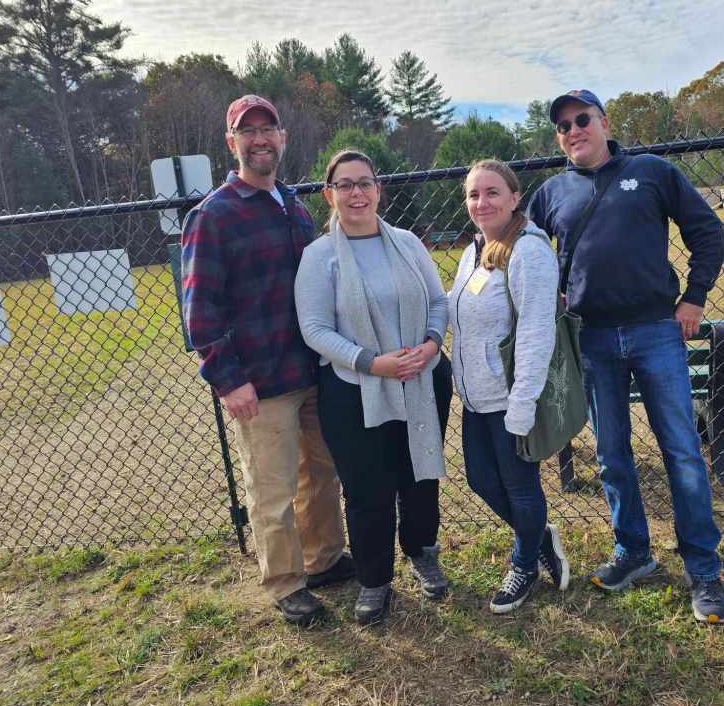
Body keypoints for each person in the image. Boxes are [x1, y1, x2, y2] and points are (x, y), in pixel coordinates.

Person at [527, 89, 724, 624]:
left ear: (604, 122)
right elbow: (526, 254)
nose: (573, 130)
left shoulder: (652, 172)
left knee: (682, 451)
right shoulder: (550, 194)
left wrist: (694, 297)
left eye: (582, 119)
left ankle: (703, 570)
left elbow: (706, 231)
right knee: (612, 454)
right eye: (563, 126)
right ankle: (633, 552)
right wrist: (549, 296)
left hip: (655, 330)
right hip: (592, 339)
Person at [181, 95, 352, 627]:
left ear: (282, 137)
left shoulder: (293, 205)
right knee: (272, 487)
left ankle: (323, 559)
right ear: (231, 143)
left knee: (321, 475)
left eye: (267, 129)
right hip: (260, 380)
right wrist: (228, 379)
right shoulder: (213, 215)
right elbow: (200, 309)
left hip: (312, 368)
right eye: (247, 131)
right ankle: (285, 582)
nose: (259, 139)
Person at [296, 149, 453, 625]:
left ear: (379, 190)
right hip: (353, 388)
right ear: (329, 195)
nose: (356, 193)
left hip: (421, 378)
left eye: (364, 182)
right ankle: (374, 578)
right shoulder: (319, 256)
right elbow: (315, 329)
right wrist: (371, 363)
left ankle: (422, 552)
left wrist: (430, 345)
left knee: (420, 475)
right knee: (368, 489)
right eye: (344, 185)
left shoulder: (406, 243)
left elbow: (438, 301)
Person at [449, 159, 570, 614]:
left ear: (515, 197)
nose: (481, 202)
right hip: (476, 396)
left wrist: (522, 404)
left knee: (520, 488)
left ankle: (524, 564)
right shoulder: (475, 248)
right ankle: (539, 537)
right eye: (473, 194)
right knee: (481, 481)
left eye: (492, 192)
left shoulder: (528, 251)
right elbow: (458, 308)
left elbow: (538, 332)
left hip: (510, 397)